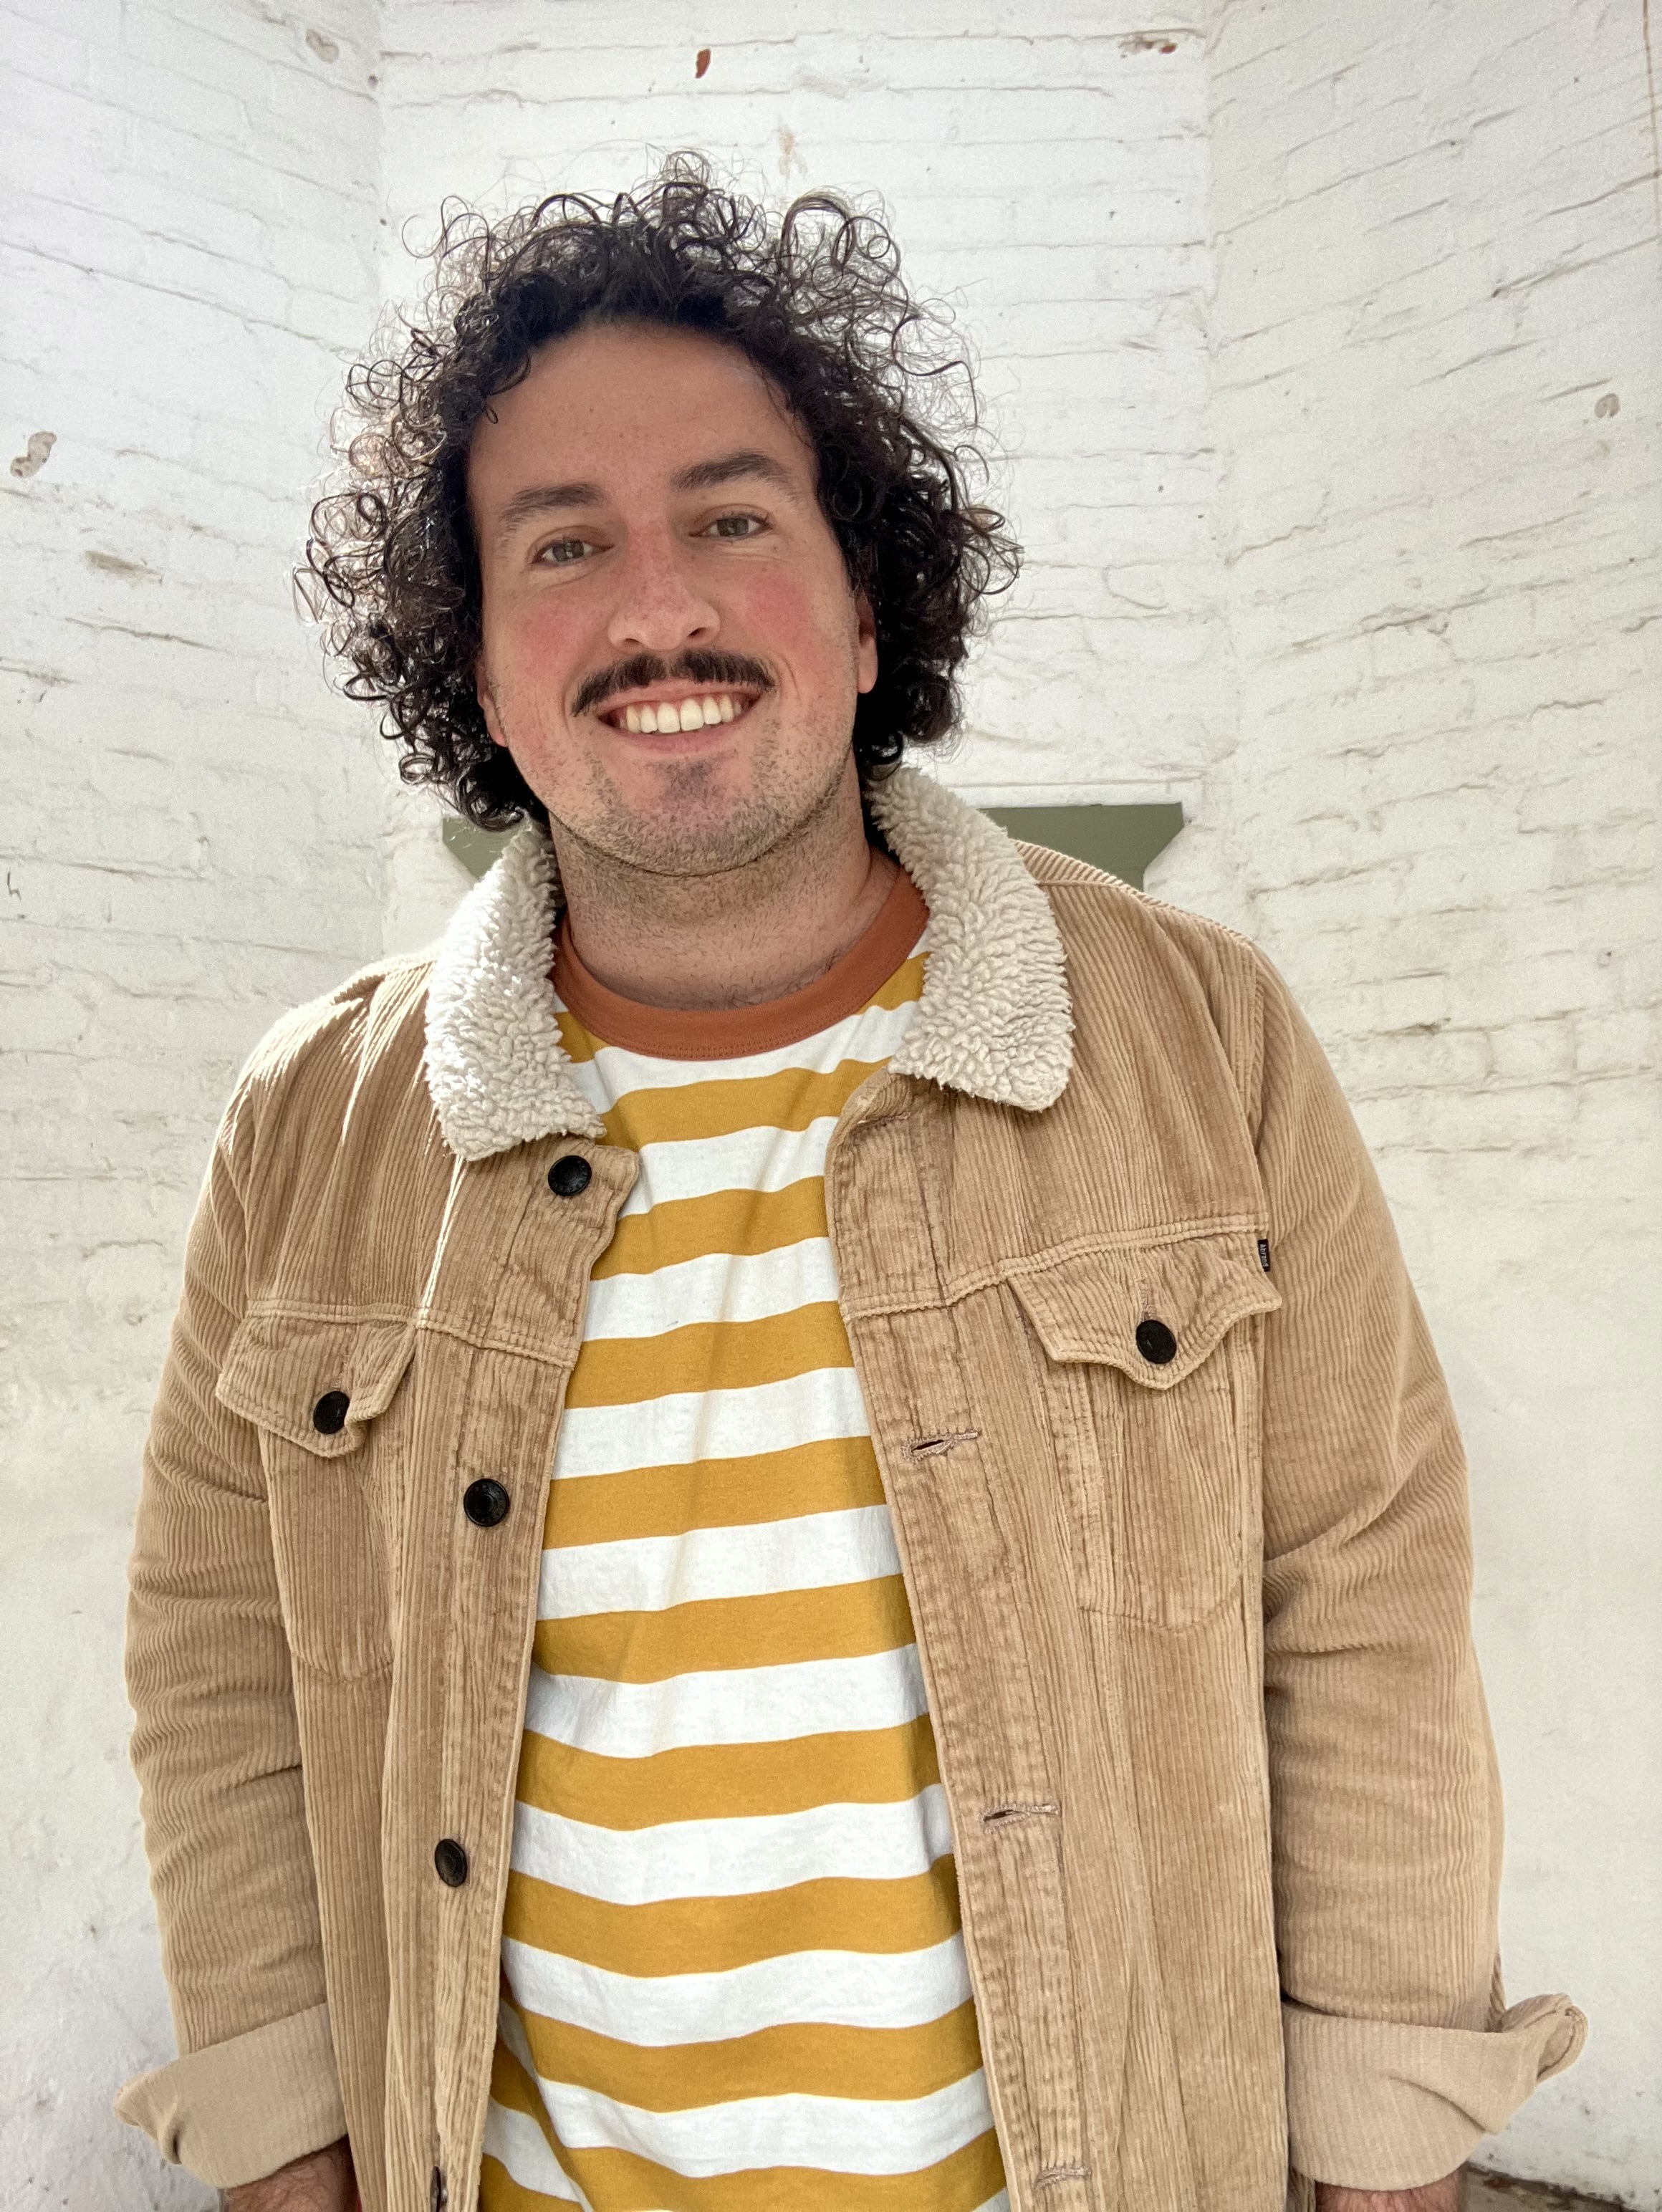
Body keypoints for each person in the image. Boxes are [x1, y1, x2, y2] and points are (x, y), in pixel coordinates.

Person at [116, 162, 1583, 2212]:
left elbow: (1362, 1602)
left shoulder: (1200, 1038)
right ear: (478, 664)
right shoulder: (312, 1129)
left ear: (872, 600)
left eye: (732, 517)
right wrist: (279, 2140)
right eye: (563, 545)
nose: (659, 609)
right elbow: (219, 1664)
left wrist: (1388, 2143)